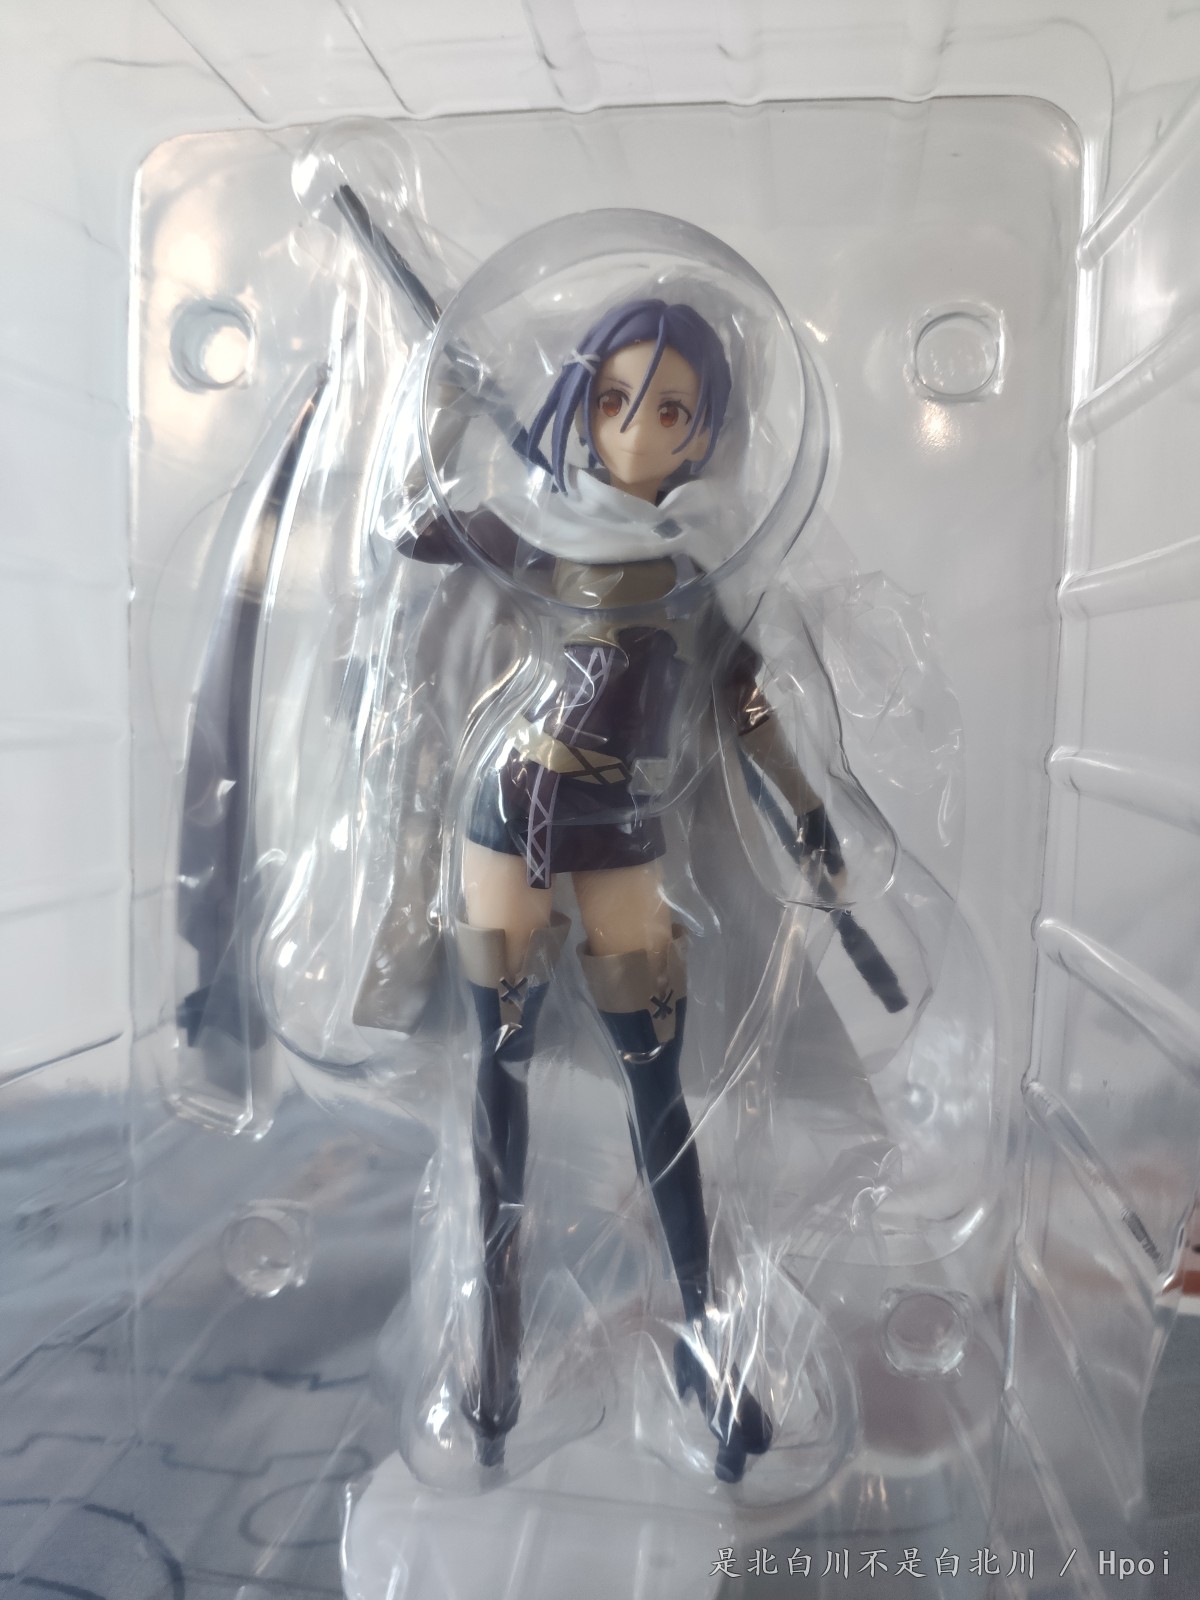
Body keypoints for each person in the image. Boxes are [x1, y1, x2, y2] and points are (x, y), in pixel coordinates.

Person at [398, 296, 842, 1483]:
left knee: (661, 1089)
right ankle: (492, 1352)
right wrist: (447, 411)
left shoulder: (694, 576)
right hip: (509, 815)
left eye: (671, 410)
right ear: (579, 406)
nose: (637, 429)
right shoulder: (530, 535)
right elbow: (410, 525)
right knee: (496, 1080)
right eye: (612, 400)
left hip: (625, 827)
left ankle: (709, 1346)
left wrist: (812, 810)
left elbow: (747, 706)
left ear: (702, 435)